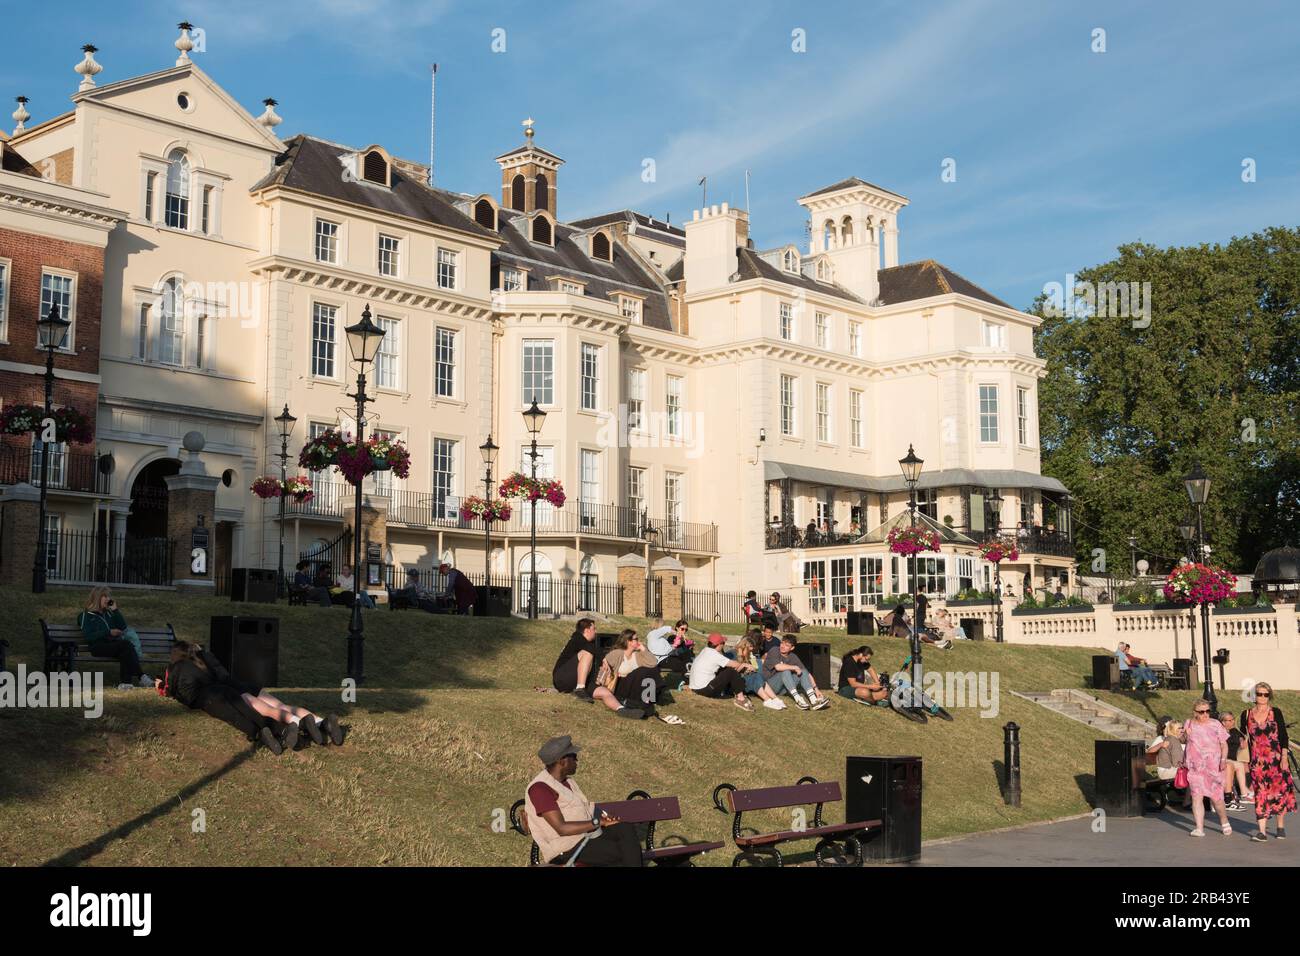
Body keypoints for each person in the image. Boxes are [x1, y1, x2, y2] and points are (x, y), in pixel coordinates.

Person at [156, 641, 346, 754]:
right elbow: (222, 673)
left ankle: (295, 723)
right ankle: (321, 722)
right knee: (282, 705)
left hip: (231, 690)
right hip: (241, 684)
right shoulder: (204, 657)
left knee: (267, 710)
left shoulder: (181, 668)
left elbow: (172, 689)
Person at [522, 735, 643, 866]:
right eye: (573, 756)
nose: (577, 760)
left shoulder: (568, 782)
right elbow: (562, 828)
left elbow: (582, 811)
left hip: (585, 839)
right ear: (562, 761)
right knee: (621, 852)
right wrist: (598, 822)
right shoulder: (540, 788)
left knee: (624, 828)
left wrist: (607, 820)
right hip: (565, 849)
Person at [552, 619, 643, 719]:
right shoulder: (577, 638)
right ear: (587, 630)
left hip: (577, 681)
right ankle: (580, 689)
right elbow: (590, 650)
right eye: (594, 628)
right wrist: (604, 659)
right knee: (587, 653)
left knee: (604, 692)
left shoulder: (589, 644)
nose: (596, 631)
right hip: (561, 678)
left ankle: (621, 709)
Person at [1241, 683, 1294, 842]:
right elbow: (1244, 737)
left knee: (1278, 793)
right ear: (1254, 695)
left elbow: (1284, 736)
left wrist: (1284, 757)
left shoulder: (1275, 712)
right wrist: (1243, 750)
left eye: (1265, 694)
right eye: (1259, 694)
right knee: (1260, 794)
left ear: (1269, 696)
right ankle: (1262, 832)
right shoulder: (1246, 714)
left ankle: (1280, 826)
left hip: (1276, 760)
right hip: (1257, 762)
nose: (1262, 697)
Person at [78, 587, 151, 690]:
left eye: (109, 596)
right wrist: (108, 632)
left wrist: (115, 610)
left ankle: (126, 684)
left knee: (125, 650)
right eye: (105, 596)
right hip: (98, 646)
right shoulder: (85, 615)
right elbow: (89, 636)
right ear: (97, 597)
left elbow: (123, 627)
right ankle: (141, 676)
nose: (108, 599)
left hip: (113, 644)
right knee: (126, 645)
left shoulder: (109, 613)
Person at [601, 630, 679, 723]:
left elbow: (654, 663)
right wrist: (613, 673)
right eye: (636, 639)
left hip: (634, 684)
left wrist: (644, 649)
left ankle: (647, 701)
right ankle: (653, 697)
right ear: (628, 641)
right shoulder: (618, 653)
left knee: (651, 669)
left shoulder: (637, 655)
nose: (638, 641)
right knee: (641, 671)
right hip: (620, 686)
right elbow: (604, 663)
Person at [1182, 701, 1232, 837]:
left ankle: (1224, 820)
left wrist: (1223, 760)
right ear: (1195, 712)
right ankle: (1199, 828)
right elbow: (1184, 740)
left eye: (1207, 711)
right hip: (1195, 767)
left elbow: (1224, 745)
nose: (1205, 714)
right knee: (1196, 797)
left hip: (1213, 766)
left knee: (1216, 798)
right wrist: (1185, 734)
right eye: (1201, 712)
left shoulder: (1215, 724)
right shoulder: (1189, 723)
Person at [762, 634, 830, 710]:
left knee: (803, 671)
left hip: (784, 688)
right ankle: (798, 700)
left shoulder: (793, 656)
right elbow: (778, 667)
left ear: (792, 648)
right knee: (786, 671)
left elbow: (807, 674)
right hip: (770, 686)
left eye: (787, 645)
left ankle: (813, 700)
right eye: (782, 643)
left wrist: (816, 689)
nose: (783, 646)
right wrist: (794, 667)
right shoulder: (774, 650)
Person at [688, 632, 754, 711]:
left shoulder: (705, 650)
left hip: (695, 688)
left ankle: (733, 693)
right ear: (719, 644)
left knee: (725, 669)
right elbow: (734, 665)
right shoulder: (715, 655)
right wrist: (744, 665)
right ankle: (741, 699)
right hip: (704, 690)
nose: (724, 645)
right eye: (723, 643)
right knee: (731, 671)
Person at [1147, 717, 1191, 809]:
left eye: (1182, 728)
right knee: (1193, 774)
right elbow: (1177, 763)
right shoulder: (1173, 741)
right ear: (1173, 730)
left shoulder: (1172, 739)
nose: (1182, 730)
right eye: (1179, 728)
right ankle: (1187, 802)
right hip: (1166, 772)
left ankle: (1191, 800)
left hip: (1166, 770)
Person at [733, 636, 782, 709]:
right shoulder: (733, 654)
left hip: (747, 678)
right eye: (751, 647)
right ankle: (767, 700)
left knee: (757, 675)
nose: (752, 649)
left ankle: (775, 698)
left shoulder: (748, 654)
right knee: (755, 676)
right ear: (745, 645)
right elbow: (731, 673)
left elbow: (755, 666)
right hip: (738, 683)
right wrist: (744, 665)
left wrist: (751, 667)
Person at [645, 618, 694, 688]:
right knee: (684, 665)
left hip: (668, 657)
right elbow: (666, 629)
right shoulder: (652, 635)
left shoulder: (660, 638)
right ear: (659, 626)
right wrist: (677, 633)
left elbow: (669, 649)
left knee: (686, 658)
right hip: (663, 660)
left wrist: (675, 644)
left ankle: (688, 678)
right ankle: (686, 683)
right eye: (662, 625)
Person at [1220, 712, 1252, 810]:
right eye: (1229, 720)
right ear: (1223, 722)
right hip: (1223, 759)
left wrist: (1242, 740)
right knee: (1238, 765)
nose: (1232, 722)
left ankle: (1244, 792)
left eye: (1233, 719)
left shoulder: (1233, 731)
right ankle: (1244, 792)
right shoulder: (1220, 732)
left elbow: (1240, 738)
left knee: (1240, 765)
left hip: (1232, 759)